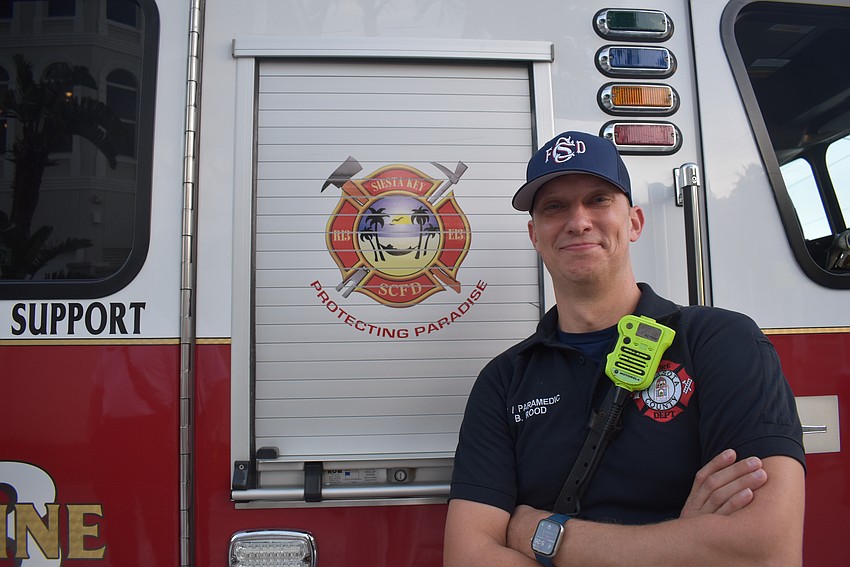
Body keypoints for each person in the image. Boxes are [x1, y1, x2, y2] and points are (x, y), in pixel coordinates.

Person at [444, 131, 805, 566]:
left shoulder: (721, 341)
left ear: (634, 222)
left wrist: (541, 534)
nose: (578, 221)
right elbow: (467, 557)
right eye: (554, 207)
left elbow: (765, 552)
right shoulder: (504, 381)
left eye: (598, 199)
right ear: (534, 235)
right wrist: (687, 543)